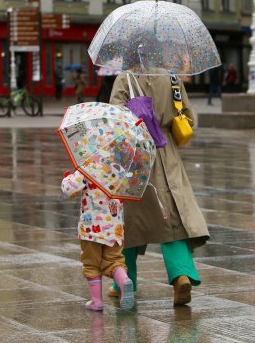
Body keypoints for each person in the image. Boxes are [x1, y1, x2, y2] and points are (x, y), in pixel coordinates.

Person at [108, 68, 207, 307]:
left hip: (135, 154)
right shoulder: (172, 78)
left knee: (130, 220)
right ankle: (181, 274)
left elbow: (114, 118)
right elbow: (188, 117)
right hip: (166, 153)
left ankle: (124, 280)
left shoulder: (126, 77)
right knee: (171, 218)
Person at [61, 169, 134, 311]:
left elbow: (70, 190)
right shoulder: (120, 168)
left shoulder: (87, 166)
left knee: (91, 263)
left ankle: (96, 301)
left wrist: (67, 179)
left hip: (91, 230)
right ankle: (124, 280)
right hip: (114, 228)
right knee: (114, 260)